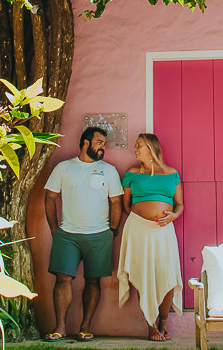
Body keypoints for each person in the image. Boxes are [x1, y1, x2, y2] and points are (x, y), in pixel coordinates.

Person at [43, 127, 123, 341]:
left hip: (99, 235)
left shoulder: (109, 170)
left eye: (104, 143)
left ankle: (85, 326)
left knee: (93, 281)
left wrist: (112, 231)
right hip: (67, 234)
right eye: (99, 142)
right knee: (62, 279)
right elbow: (50, 197)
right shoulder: (64, 168)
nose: (103, 147)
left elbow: (116, 202)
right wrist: (54, 229)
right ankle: (59, 327)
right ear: (86, 143)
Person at [117, 133, 184, 341]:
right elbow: (125, 204)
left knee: (167, 272)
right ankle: (151, 324)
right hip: (138, 229)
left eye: (139, 146)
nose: (135, 149)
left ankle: (163, 321)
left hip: (163, 230)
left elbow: (180, 204)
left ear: (151, 147)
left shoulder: (172, 173)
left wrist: (173, 216)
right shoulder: (132, 173)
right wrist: (140, 219)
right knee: (142, 273)